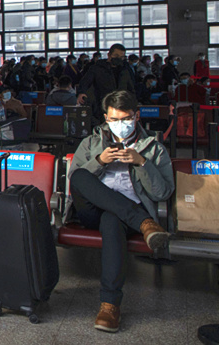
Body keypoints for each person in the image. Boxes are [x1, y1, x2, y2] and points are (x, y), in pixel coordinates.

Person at [67, 90, 173, 333]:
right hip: (91, 210)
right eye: (114, 120)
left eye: (125, 119)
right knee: (82, 174)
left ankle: (109, 306)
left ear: (136, 116)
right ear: (105, 118)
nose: (120, 125)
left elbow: (162, 193)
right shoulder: (91, 143)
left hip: (123, 215)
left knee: (113, 218)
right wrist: (99, 161)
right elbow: (76, 183)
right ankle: (146, 224)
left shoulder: (152, 148)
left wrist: (141, 163)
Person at [77, 44, 136, 122]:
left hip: (121, 104)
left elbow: (131, 87)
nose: (119, 58)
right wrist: (81, 92)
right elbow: (85, 82)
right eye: (116, 55)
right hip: (101, 104)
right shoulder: (97, 68)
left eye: (121, 57)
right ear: (109, 55)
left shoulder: (125, 70)